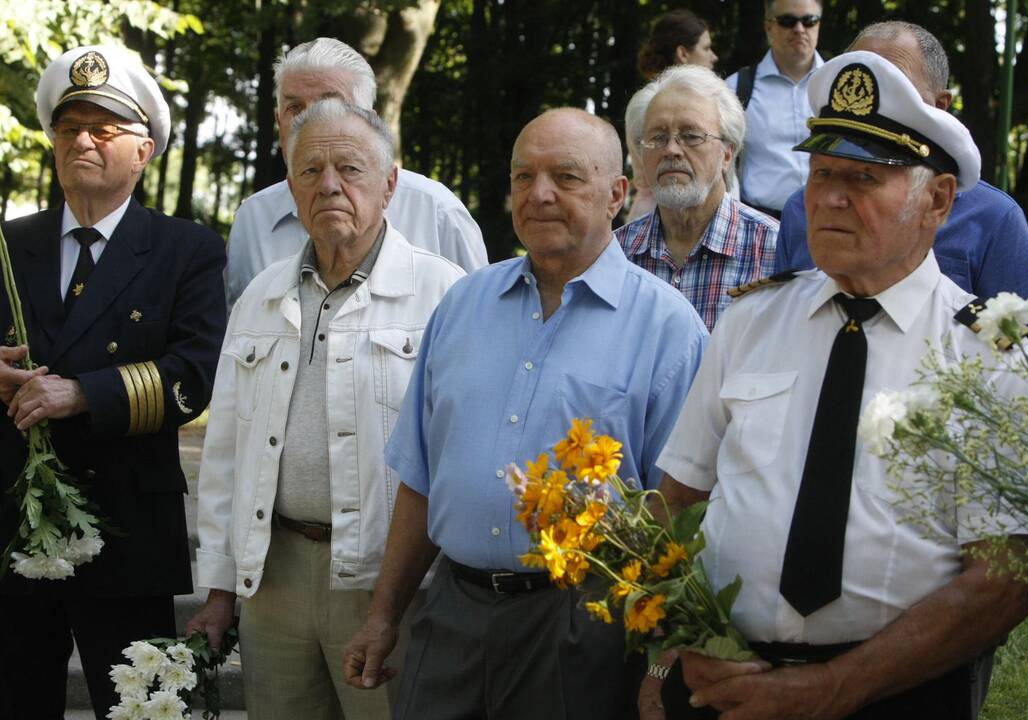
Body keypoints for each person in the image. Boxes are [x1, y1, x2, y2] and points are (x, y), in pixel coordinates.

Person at [656, 51, 1028, 719]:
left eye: (863, 178)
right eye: (822, 172)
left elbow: (999, 585)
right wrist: (663, 657)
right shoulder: (749, 321)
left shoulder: (986, 358)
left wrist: (833, 690)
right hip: (721, 683)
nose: (830, 197)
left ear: (938, 200)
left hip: (897, 697)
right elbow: (677, 503)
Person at [340, 108, 708, 720]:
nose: (539, 195)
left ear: (617, 194)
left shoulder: (669, 331)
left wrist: (663, 660)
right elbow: (422, 481)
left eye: (566, 177)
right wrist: (383, 616)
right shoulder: (463, 305)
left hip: (582, 626)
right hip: (452, 611)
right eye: (522, 177)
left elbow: (683, 516)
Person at [187, 98, 464, 720]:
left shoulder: (446, 293)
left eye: (351, 168)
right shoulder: (261, 294)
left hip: (389, 586)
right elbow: (227, 448)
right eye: (310, 171)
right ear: (291, 187)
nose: (329, 184)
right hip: (275, 575)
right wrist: (220, 584)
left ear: (390, 183)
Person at [0, 45, 226, 718]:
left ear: (144, 150)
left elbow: (195, 372)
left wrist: (80, 394)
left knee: (139, 708)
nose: (83, 142)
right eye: (70, 129)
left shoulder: (187, 249)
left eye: (103, 130)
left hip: (129, 527)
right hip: (14, 524)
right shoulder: (9, 244)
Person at [774, 20, 1028, 345]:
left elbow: (1021, 364)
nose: (868, 104)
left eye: (895, 88)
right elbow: (785, 324)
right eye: (857, 82)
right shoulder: (801, 208)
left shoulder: (995, 218)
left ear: (940, 107)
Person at [225, 37, 486, 308]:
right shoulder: (253, 220)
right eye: (294, 108)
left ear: (370, 121)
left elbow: (480, 321)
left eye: (331, 105)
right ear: (279, 123)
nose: (310, 122)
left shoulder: (436, 212)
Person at [616, 66, 777, 331]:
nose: (671, 150)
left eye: (691, 136)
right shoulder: (617, 255)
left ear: (727, 154)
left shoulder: (772, 249)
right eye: (657, 137)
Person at [726, 0, 824, 219]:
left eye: (809, 21)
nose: (799, 29)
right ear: (768, 26)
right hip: (760, 224)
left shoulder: (839, 84)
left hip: (828, 220)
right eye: (788, 21)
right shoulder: (736, 89)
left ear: (819, 24)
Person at [629, 10, 719, 221]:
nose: (713, 56)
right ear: (683, 54)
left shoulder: (642, 102)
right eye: (706, 48)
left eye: (691, 135)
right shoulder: (645, 105)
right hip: (662, 218)